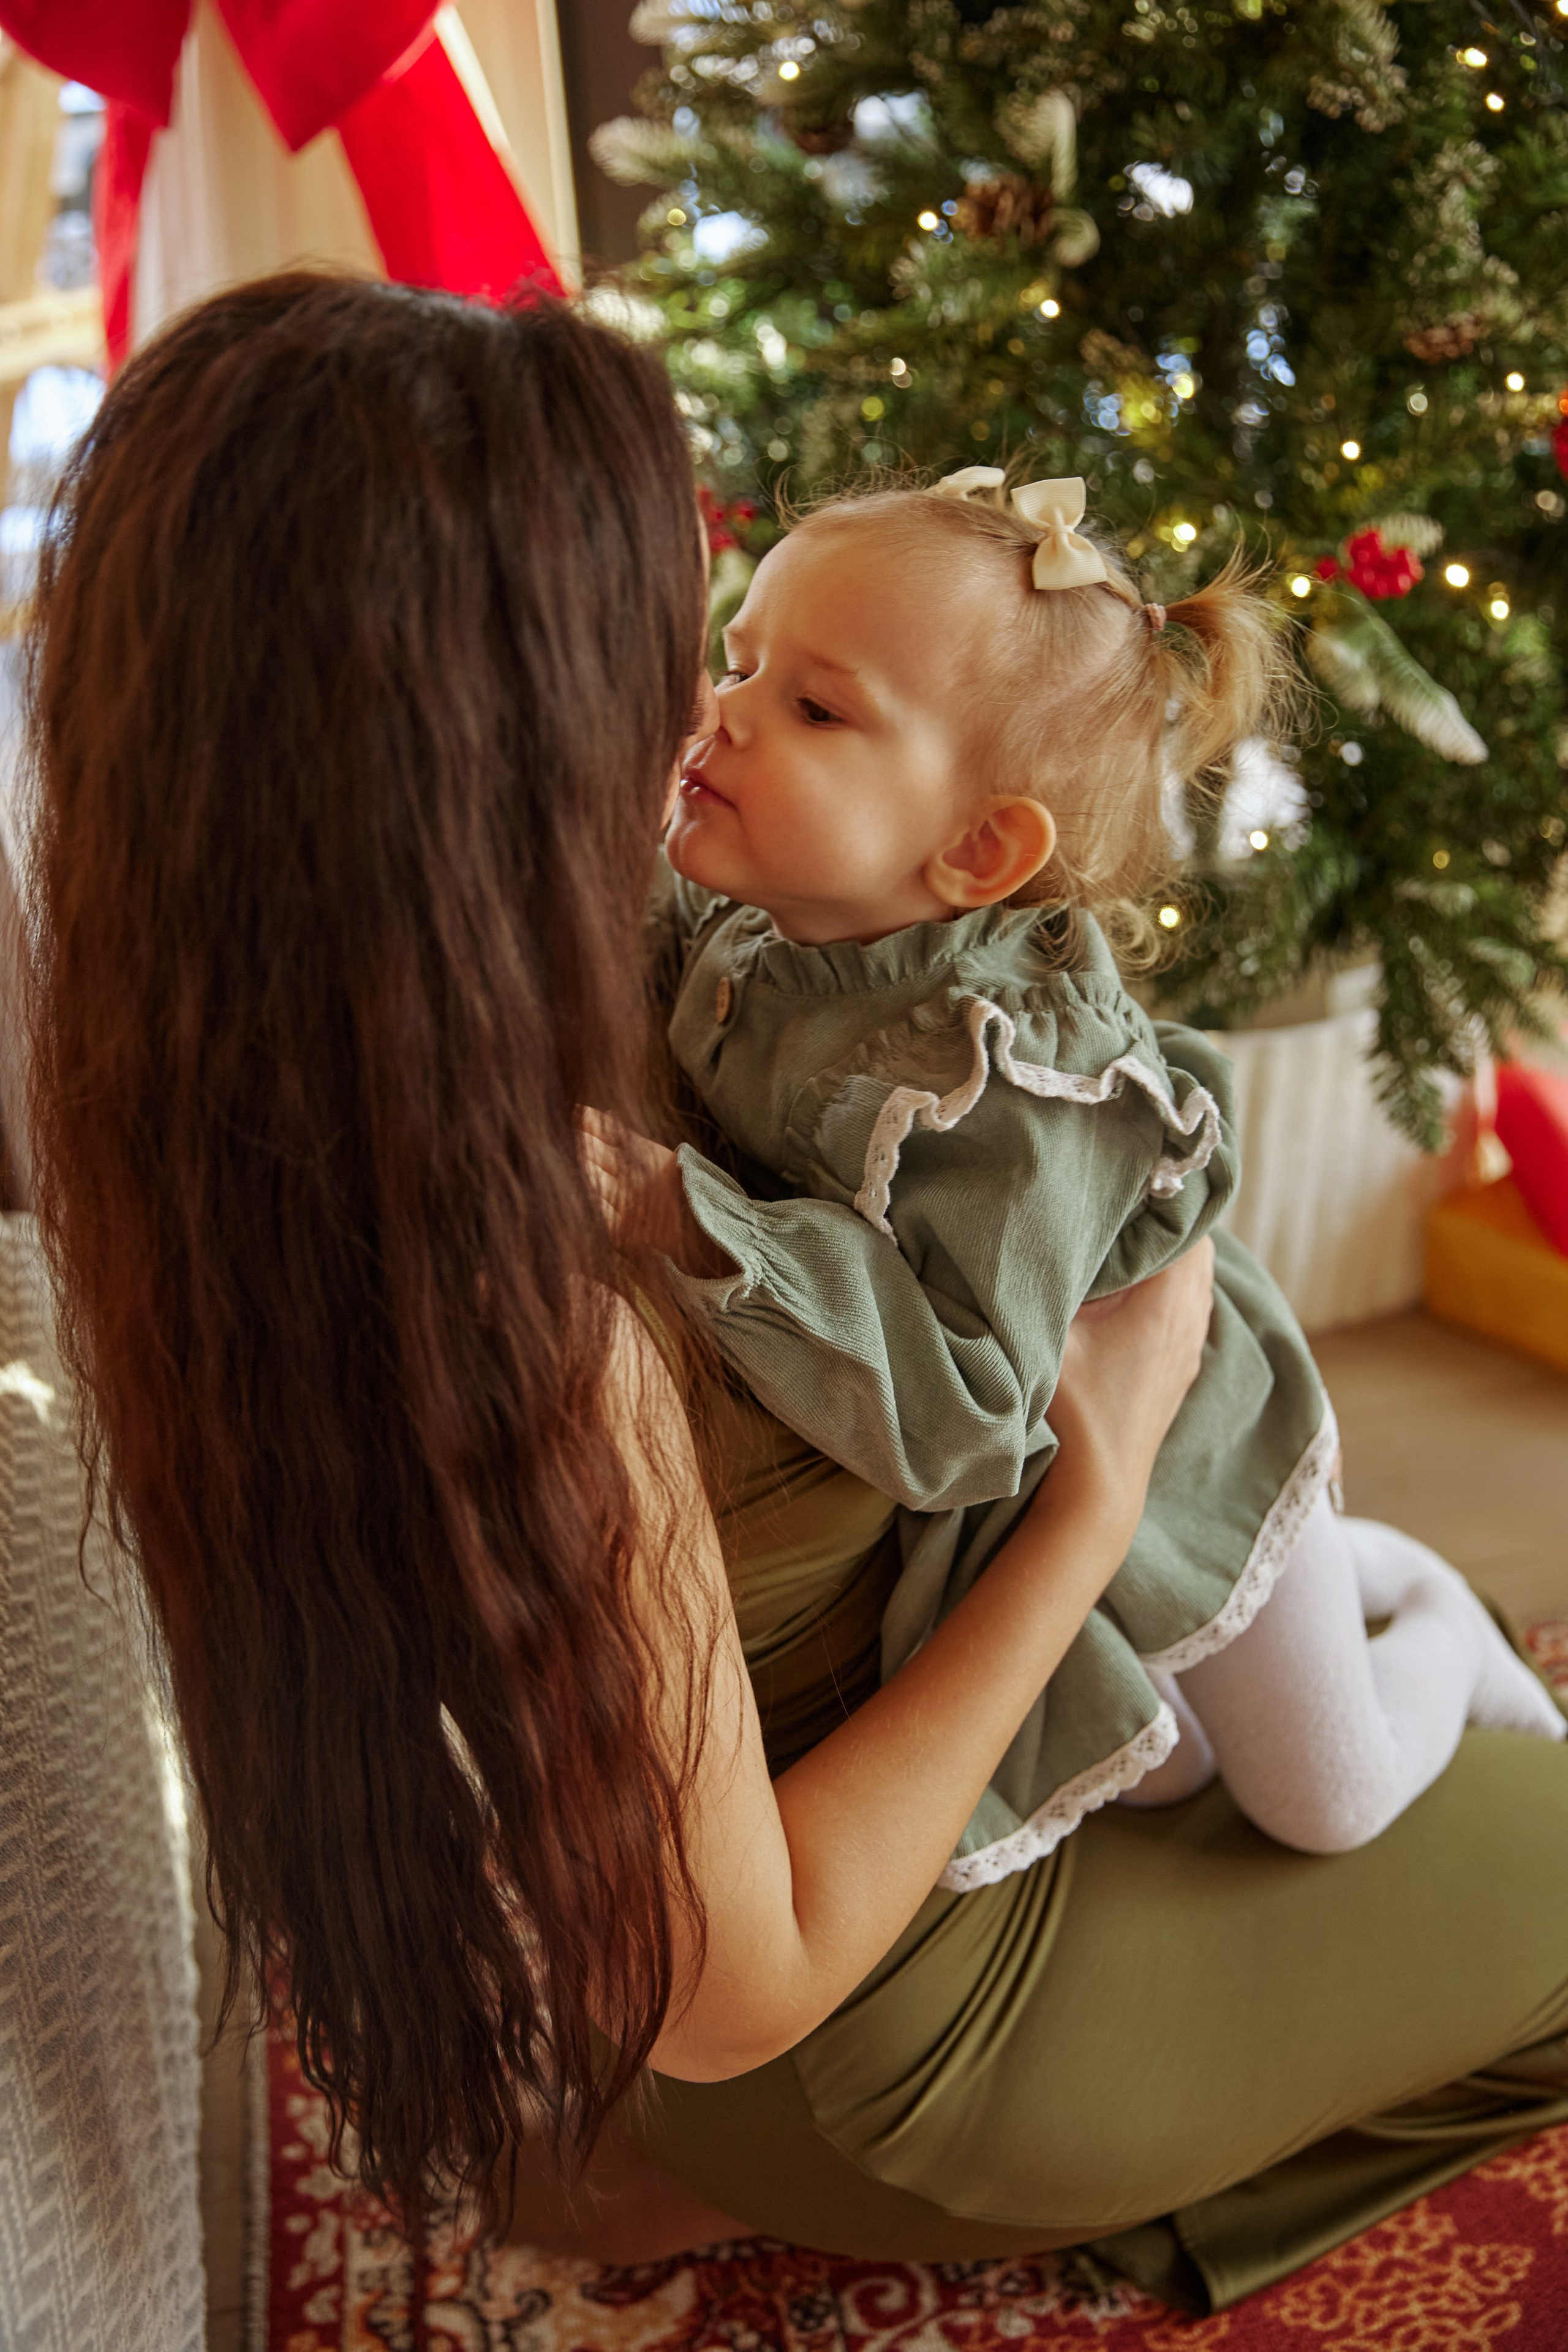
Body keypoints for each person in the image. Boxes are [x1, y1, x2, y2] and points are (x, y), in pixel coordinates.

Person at [21, 273, 1568, 2316]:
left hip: (667, 1934)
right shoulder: (560, 1254)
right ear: (491, 736)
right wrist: (1093, 1500)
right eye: (687, 664)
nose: (709, 723)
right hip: (858, 2022)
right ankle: (1033, 2208)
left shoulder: (193, 1079)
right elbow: (737, 1989)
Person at [616, 468, 1562, 1889]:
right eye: (735, 659)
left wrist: (679, 1218)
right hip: (1045, 1486)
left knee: (1326, 1795)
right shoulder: (763, 917)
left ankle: (1427, 1610)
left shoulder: (1004, 1082)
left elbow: (966, 1413)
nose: (722, 711)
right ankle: (1295, 1617)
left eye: (812, 708)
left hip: (1180, 1446)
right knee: (1159, 1761)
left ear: (977, 847)